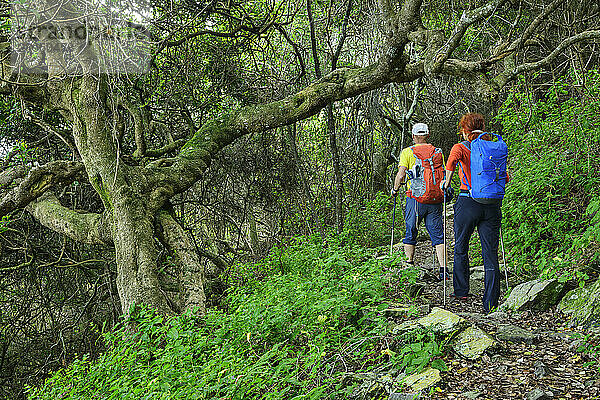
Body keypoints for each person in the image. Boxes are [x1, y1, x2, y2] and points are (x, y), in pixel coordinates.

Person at [441, 112, 508, 313]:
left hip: (468, 201)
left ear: (464, 130)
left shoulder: (460, 148)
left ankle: (461, 290)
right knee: (490, 253)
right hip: (492, 204)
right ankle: (490, 302)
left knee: (461, 245)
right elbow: (505, 176)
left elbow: (449, 171)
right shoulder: (493, 146)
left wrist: (446, 184)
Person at [391, 123, 447, 279]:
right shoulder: (437, 152)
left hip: (415, 199)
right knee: (437, 234)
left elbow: (401, 175)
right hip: (435, 198)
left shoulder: (407, 152)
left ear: (413, 136)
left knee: (411, 230)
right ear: (428, 135)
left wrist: (395, 190)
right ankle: (444, 270)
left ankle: (409, 264)